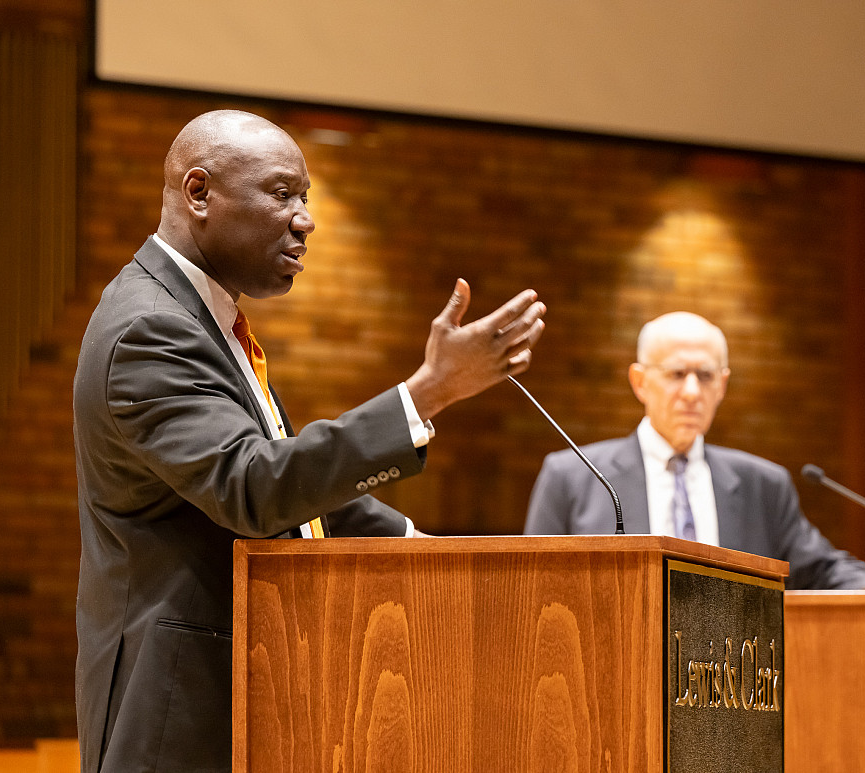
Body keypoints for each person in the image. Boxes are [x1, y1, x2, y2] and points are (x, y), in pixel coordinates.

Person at [73, 110, 546, 773]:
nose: (305, 219)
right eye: (282, 192)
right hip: (179, 717)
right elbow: (253, 486)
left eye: (307, 197)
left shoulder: (202, 319)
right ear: (199, 192)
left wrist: (432, 554)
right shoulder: (151, 330)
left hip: (249, 697)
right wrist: (428, 393)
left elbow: (295, 489)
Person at [524, 311, 865, 590]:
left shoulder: (763, 485)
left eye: (706, 376)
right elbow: (531, 587)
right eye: (677, 374)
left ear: (723, 385)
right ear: (639, 382)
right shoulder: (572, 477)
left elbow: (822, 569)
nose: (693, 392)